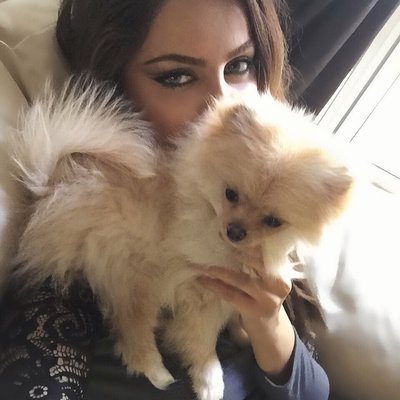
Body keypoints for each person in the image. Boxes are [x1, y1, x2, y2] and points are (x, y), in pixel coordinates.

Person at [0, 0, 329, 399]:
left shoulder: (274, 198)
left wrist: (267, 322)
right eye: (177, 76)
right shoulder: (93, 224)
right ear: (115, 81)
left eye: (239, 65)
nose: (223, 100)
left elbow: (314, 391)